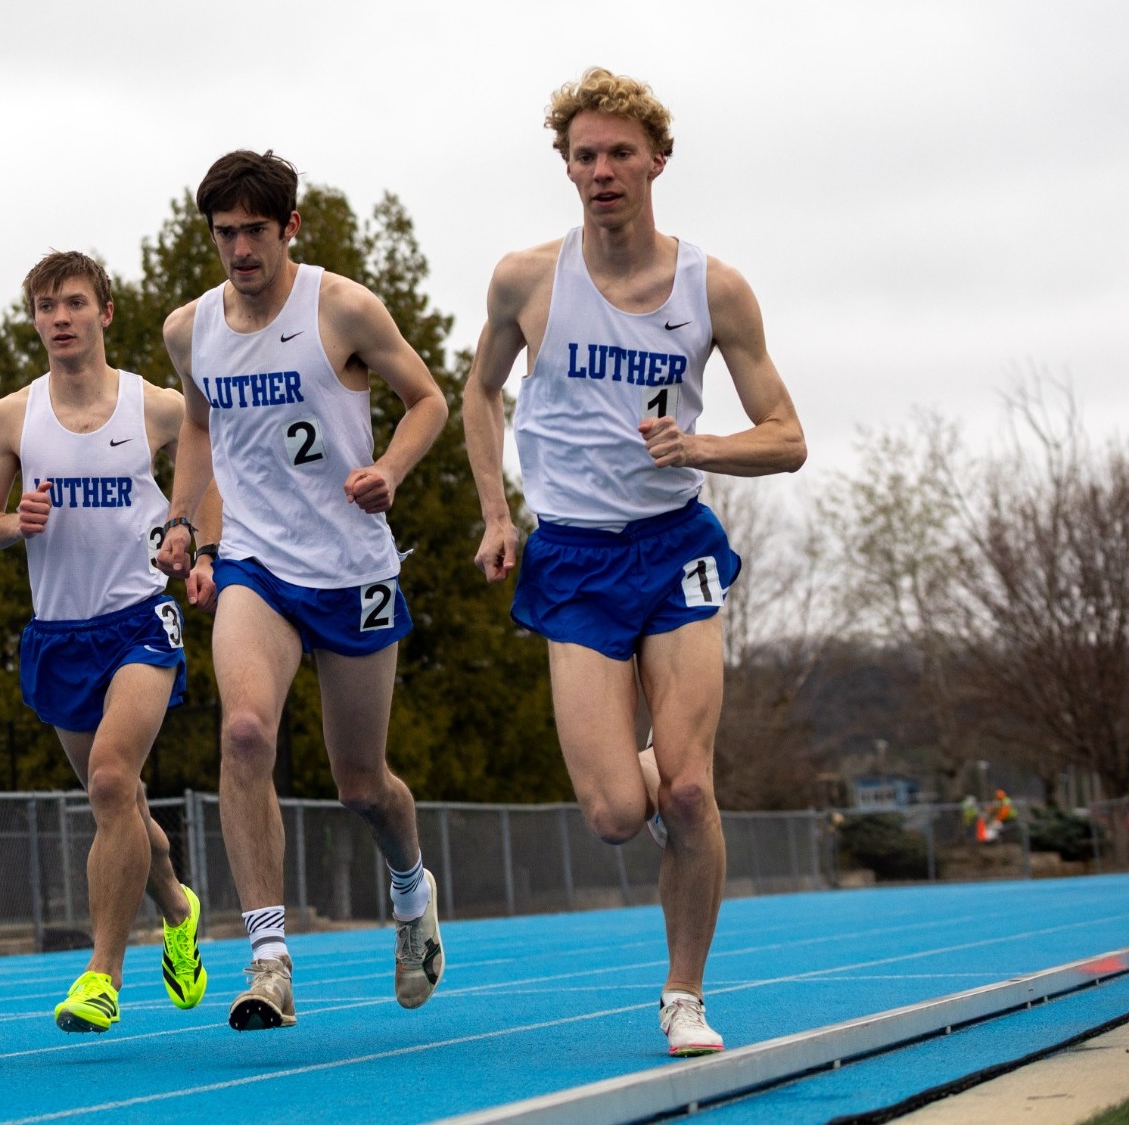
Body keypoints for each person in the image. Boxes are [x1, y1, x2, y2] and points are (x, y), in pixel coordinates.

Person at [459, 68, 807, 1056]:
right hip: (572, 557)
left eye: (619, 152)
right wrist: (497, 514)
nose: (602, 170)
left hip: (673, 547)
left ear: (657, 160)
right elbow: (479, 392)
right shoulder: (526, 280)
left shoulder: (713, 289)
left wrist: (699, 447)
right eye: (585, 155)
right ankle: (653, 774)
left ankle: (682, 995)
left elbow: (786, 438)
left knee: (690, 793)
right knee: (618, 812)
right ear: (566, 168)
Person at [155, 150, 451, 1031]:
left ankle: (411, 887)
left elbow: (428, 399)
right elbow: (199, 426)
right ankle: (270, 958)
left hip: (352, 569)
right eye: (225, 233)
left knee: (362, 784)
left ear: (289, 227)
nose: (240, 249)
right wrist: (183, 522)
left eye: (255, 230)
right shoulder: (190, 329)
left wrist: (390, 468)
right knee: (245, 731)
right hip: (256, 564)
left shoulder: (342, 307)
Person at [0, 251, 214, 1034]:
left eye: (74, 302)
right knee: (120, 802)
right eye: (46, 306)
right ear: (35, 320)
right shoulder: (12, 417)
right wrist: (14, 523)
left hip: (139, 619)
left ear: (104, 312)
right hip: (60, 632)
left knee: (111, 780)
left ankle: (103, 974)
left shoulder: (156, 406)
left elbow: (212, 466)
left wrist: (197, 544)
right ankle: (176, 904)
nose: (60, 318)